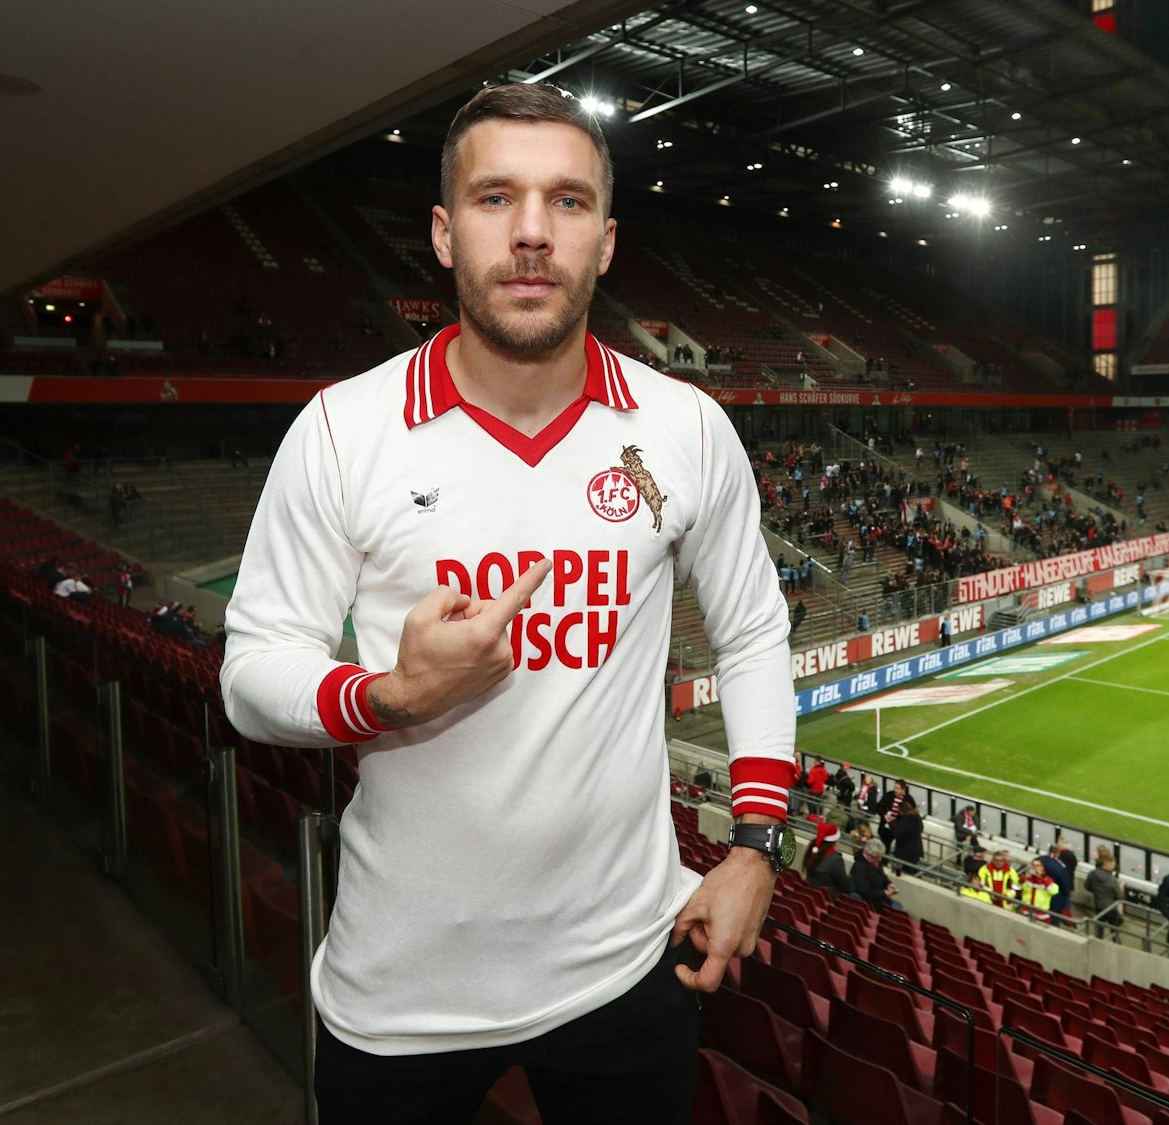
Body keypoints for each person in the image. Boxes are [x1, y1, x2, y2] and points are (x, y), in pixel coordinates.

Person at [220, 83, 795, 1125]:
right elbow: (253, 674)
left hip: (628, 967)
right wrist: (390, 695)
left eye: (566, 202)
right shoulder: (343, 429)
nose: (532, 232)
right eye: (496, 198)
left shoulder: (685, 426)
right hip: (401, 995)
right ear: (445, 234)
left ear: (605, 243)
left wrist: (757, 844)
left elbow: (752, 630)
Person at [1084, 846, 1123, 940]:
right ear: (1106, 865)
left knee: (1099, 930)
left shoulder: (1092, 874)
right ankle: (1116, 944)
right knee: (1115, 931)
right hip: (1111, 908)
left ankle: (1098, 943)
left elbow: (1087, 886)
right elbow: (1120, 896)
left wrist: (1097, 891)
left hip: (1098, 905)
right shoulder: (1112, 879)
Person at [851, 838, 902, 911]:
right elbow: (864, 893)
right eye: (878, 857)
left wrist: (888, 884)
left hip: (881, 899)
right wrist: (883, 893)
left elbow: (882, 876)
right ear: (870, 855)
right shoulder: (859, 868)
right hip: (872, 905)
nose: (880, 859)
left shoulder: (876, 861)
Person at [1019, 858, 1057, 923]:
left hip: (1041, 912)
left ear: (1042, 867)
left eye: (1037, 865)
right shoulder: (1028, 878)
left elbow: (1054, 891)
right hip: (1026, 909)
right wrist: (1023, 879)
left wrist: (1043, 879)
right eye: (1033, 865)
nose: (1034, 867)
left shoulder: (1047, 879)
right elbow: (1020, 888)